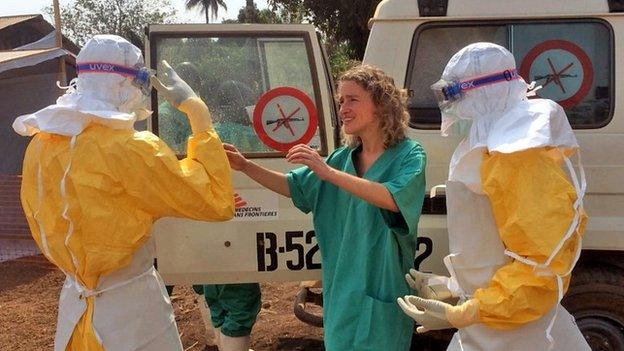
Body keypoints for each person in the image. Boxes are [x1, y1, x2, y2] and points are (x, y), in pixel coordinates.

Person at [13, 34, 234, 351]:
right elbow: (215, 199)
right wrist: (196, 110)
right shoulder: (131, 149)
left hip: (76, 311)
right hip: (132, 314)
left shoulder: (41, 142)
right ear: (124, 83)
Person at [397, 42, 590, 350]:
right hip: (494, 325)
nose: (448, 105)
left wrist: (469, 310)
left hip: (522, 333)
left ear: (480, 92)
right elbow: (491, 248)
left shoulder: (518, 155)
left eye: (453, 94)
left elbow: (544, 266)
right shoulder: (491, 148)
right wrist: (452, 288)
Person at [225, 64, 427, 351]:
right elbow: (293, 187)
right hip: (342, 292)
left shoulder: (409, 156)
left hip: (383, 290)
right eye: (341, 101)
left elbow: (393, 198)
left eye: (352, 99)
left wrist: (328, 173)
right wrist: (245, 166)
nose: (343, 108)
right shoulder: (340, 159)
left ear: (382, 105)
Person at [156, 62, 262, 351]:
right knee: (240, 291)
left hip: (195, 214)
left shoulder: (167, 119)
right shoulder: (239, 133)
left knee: (210, 282)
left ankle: (217, 341)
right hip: (237, 217)